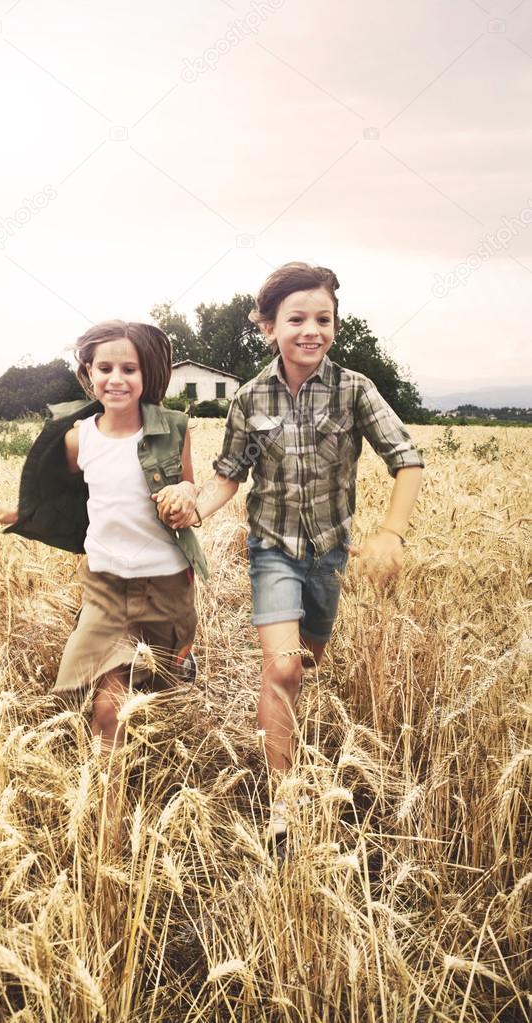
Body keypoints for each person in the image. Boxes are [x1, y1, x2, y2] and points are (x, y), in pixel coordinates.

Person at [155, 262, 424, 836]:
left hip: (331, 554)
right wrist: (194, 509)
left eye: (323, 318)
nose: (311, 330)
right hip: (272, 550)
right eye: (296, 318)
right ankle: (284, 803)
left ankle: (295, 725)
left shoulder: (356, 390)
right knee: (282, 669)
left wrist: (389, 533)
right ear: (267, 326)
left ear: (334, 324)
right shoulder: (249, 398)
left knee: (308, 663)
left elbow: (406, 457)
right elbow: (229, 475)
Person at [0, 321, 207, 809]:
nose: (116, 379)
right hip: (105, 587)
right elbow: (60, 493)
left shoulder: (174, 428)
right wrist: (25, 512)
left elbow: (192, 488)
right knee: (107, 704)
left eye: (129, 368)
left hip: (166, 581)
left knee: (160, 683)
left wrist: (185, 495)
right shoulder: (77, 438)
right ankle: (108, 813)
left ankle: (176, 658)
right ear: (89, 373)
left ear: (147, 374)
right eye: (104, 368)